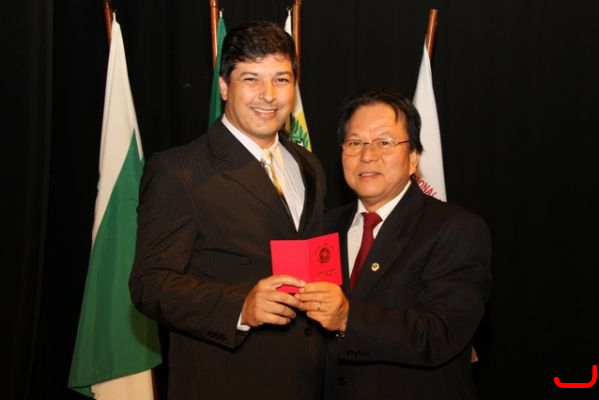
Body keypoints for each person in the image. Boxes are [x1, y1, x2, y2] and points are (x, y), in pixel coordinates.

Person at [129, 21, 327, 400]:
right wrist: (240, 307)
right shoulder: (178, 170)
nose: (269, 95)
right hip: (226, 383)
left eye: (281, 79)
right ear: (224, 86)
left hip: (307, 379)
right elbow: (149, 284)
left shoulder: (309, 165)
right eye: (251, 79)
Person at [297, 88, 493, 399]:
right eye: (355, 143)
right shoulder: (322, 228)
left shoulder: (455, 229)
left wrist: (348, 317)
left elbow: (441, 333)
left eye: (384, 142)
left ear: (413, 158)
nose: (367, 155)